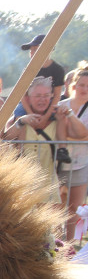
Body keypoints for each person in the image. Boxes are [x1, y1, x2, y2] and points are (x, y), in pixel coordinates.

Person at [3, 76, 84, 204]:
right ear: (28, 98)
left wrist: (69, 114)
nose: (43, 99)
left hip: (48, 182)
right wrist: (21, 121)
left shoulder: (58, 119)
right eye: (38, 96)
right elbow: (6, 137)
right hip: (21, 181)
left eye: (46, 95)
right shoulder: (18, 118)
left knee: (54, 223)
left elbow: (81, 134)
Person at [57, 68, 88, 238]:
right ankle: (54, 246)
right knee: (57, 207)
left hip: (82, 163)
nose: (84, 89)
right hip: (60, 163)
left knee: (74, 209)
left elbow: (86, 135)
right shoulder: (62, 104)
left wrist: (69, 135)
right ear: (74, 85)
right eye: (81, 85)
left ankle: (69, 246)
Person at [21, 34, 65, 110]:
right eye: (31, 50)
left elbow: (57, 96)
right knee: (17, 116)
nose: (32, 53)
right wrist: (30, 113)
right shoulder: (28, 70)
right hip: (29, 106)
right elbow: (22, 95)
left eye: (35, 49)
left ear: (48, 50)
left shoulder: (58, 70)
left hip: (49, 106)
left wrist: (46, 117)